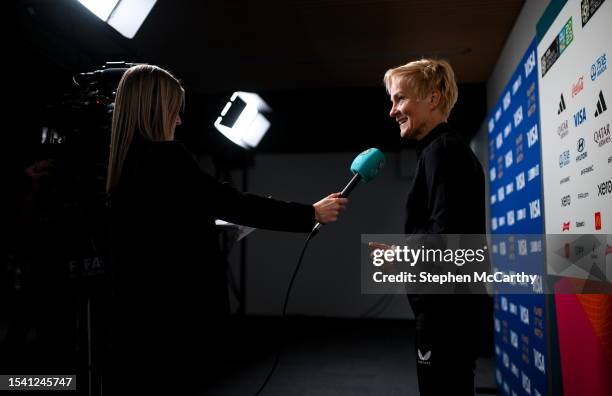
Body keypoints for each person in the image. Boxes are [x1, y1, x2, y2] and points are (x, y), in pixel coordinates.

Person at [105, 64, 347, 393]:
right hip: (178, 314)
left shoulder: (119, 163)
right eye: (174, 111)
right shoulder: (166, 158)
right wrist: (310, 214)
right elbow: (231, 202)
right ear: (156, 110)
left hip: (135, 313)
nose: (178, 121)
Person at [380, 59, 491, 395]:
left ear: (433, 98)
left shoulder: (442, 151)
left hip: (447, 314)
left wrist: (401, 253)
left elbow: (448, 235)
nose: (392, 111)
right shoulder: (440, 150)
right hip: (450, 310)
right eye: (392, 101)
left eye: (400, 99)